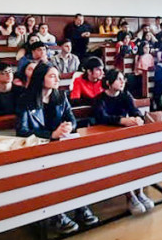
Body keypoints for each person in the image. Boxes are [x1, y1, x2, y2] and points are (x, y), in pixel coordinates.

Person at [17, 64, 97, 231]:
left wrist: (68, 126)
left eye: (57, 76)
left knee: (77, 169)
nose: (57, 79)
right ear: (41, 78)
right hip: (39, 150)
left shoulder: (60, 96)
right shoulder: (26, 99)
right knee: (52, 174)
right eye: (52, 76)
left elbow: (72, 119)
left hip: (61, 146)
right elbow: (22, 131)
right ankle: (56, 214)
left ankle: (80, 207)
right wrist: (51, 135)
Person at [93, 69, 154, 215]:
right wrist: (121, 120)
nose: (122, 82)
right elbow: (102, 118)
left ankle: (139, 192)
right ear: (108, 82)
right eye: (119, 79)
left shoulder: (125, 95)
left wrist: (137, 118)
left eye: (123, 79)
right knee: (123, 159)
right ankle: (130, 196)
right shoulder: (99, 98)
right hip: (105, 139)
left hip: (123, 135)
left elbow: (135, 111)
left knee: (137, 155)